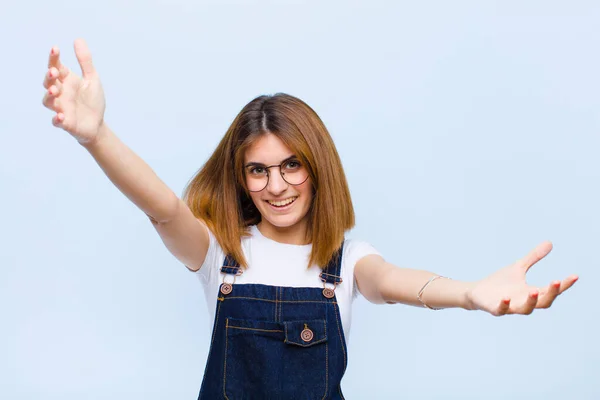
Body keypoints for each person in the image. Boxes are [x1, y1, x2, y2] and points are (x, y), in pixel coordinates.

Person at [41, 39, 578, 399]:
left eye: (291, 165)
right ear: (241, 177)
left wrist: (469, 293)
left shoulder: (347, 264)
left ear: (316, 167)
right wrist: (96, 137)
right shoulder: (219, 254)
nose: (276, 186)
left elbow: (396, 284)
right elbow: (163, 208)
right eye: (258, 170)